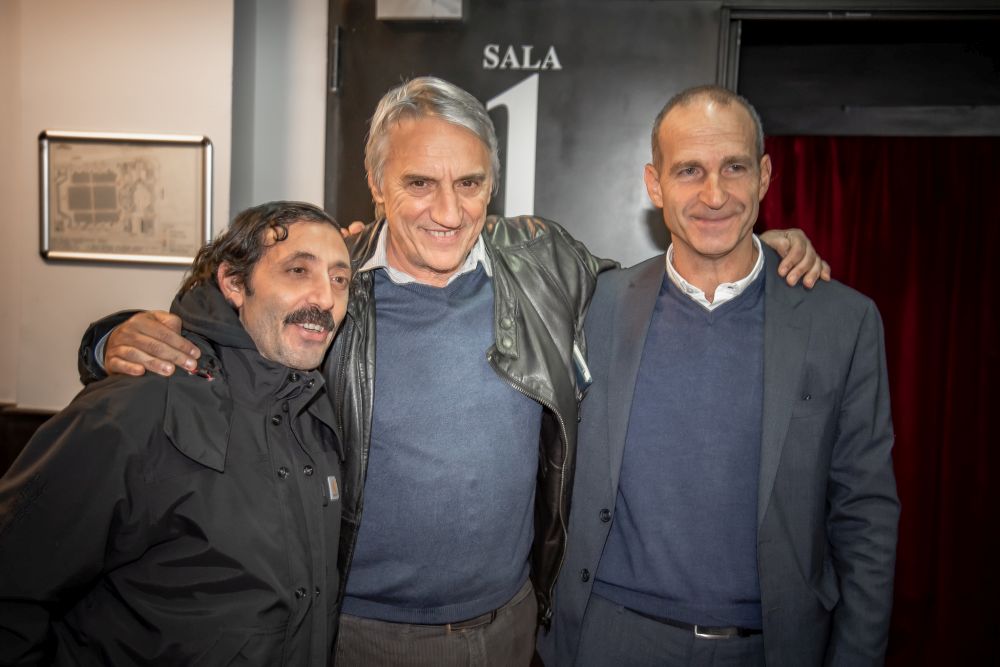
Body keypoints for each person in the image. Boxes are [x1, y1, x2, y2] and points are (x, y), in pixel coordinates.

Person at [78, 78, 828, 666]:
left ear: (492, 185)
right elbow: (215, 329)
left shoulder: (545, 265)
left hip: (509, 629)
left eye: (469, 183)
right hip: (352, 633)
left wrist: (753, 253)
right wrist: (107, 337)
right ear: (376, 182)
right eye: (418, 184)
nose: (447, 210)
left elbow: (653, 291)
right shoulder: (331, 284)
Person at [537, 86, 899, 667]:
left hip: (772, 648)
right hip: (612, 640)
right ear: (655, 185)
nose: (714, 194)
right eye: (689, 171)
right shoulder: (592, 307)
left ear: (764, 176)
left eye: (734, 167)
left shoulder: (842, 322)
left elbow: (865, 516)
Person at [0, 202, 352, 665]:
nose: (325, 297)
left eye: (340, 279)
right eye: (298, 270)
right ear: (234, 283)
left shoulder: (314, 413)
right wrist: (103, 342)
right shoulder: (141, 404)